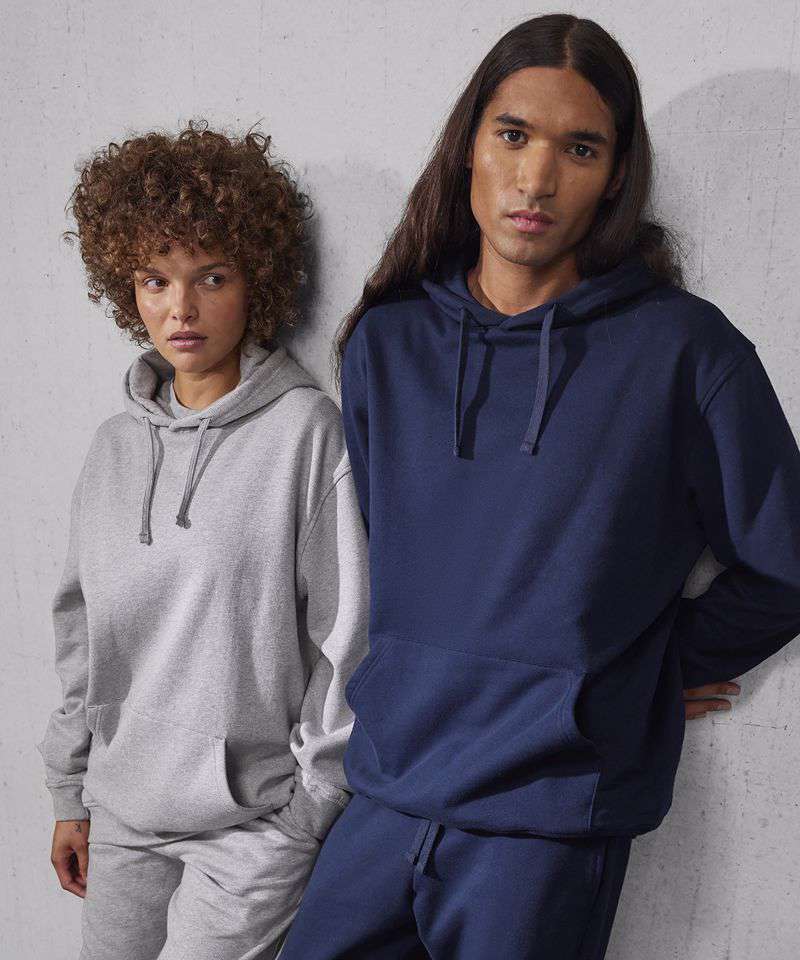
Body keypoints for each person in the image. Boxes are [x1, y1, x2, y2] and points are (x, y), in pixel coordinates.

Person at [278, 13, 800, 960]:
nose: (537, 179)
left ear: (617, 175)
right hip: (388, 786)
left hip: (547, 818)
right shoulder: (387, 342)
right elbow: (378, 558)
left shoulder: (686, 351)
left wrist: (641, 673)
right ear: (469, 146)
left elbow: (788, 562)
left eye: (580, 148)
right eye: (513, 135)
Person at [35, 121, 370, 960]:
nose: (179, 309)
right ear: (127, 287)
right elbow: (82, 634)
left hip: (250, 828)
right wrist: (71, 789)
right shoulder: (114, 447)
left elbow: (346, 635)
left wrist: (311, 808)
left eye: (210, 277)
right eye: (155, 280)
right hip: (121, 819)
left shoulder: (306, 434)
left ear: (257, 279)